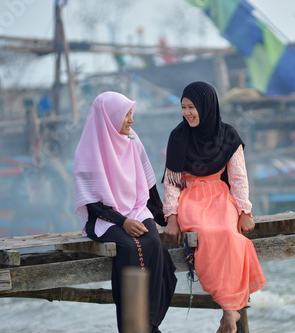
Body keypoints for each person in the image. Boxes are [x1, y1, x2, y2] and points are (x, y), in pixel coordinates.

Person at [163, 81, 266, 333]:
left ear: (206, 106)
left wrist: (244, 212)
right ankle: (231, 312)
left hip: (220, 198)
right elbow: (171, 182)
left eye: (192, 107)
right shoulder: (178, 137)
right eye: (184, 107)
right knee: (207, 234)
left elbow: (239, 177)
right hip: (191, 199)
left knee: (231, 235)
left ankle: (228, 313)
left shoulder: (229, 136)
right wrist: (172, 218)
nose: (187, 112)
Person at [73, 91, 177, 333]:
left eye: (131, 113)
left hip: (137, 208)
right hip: (104, 218)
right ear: (109, 118)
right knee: (131, 247)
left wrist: (168, 219)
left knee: (152, 240)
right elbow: (91, 203)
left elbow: (149, 187)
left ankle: (149, 323)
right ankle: (133, 325)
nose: (131, 120)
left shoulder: (132, 140)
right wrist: (123, 222)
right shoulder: (89, 149)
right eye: (126, 115)